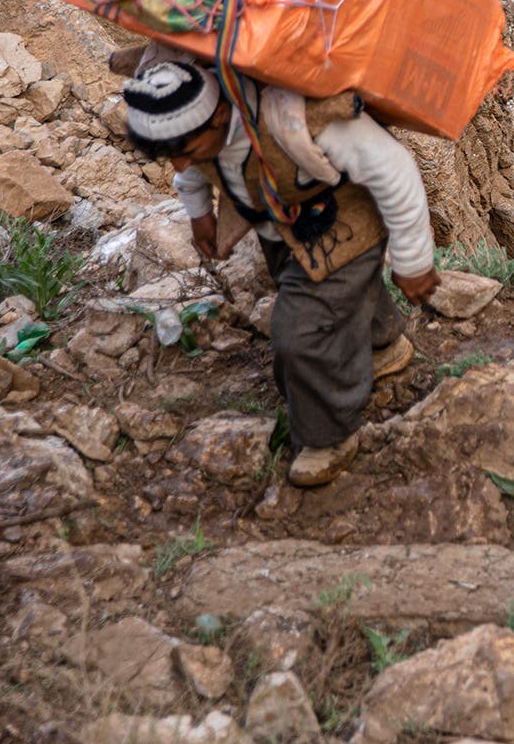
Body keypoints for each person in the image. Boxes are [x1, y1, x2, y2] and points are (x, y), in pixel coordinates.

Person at [120, 60, 434, 487]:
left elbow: (395, 170)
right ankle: (381, 346)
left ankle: (329, 436)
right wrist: (198, 213)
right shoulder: (197, 133)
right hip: (280, 228)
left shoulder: (296, 119)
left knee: (300, 334)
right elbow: (193, 169)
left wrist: (413, 261)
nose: (177, 165)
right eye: (168, 155)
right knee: (330, 299)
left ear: (220, 116)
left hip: (344, 225)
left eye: (186, 151)